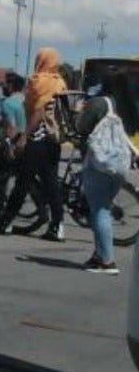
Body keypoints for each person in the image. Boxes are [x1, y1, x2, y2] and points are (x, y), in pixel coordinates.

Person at [0, 48, 68, 240]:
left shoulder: (38, 81)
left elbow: (38, 112)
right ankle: (57, 227)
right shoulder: (60, 82)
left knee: (22, 183)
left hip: (38, 140)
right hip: (53, 141)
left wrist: (24, 136)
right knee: (51, 185)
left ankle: (4, 222)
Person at [74, 67, 139, 274]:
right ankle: (99, 254)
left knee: (100, 210)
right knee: (102, 208)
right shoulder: (128, 107)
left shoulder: (99, 103)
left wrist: (77, 112)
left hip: (100, 164)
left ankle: (107, 262)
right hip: (119, 165)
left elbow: (81, 128)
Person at [0, 72, 26, 218]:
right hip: (24, 143)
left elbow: (11, 127)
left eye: (4, 83)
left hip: (11, 144)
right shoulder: (26, 100)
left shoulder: (8, 103)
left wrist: (9, 146)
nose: (2, 86)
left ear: (10, 85)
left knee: (1, 179)